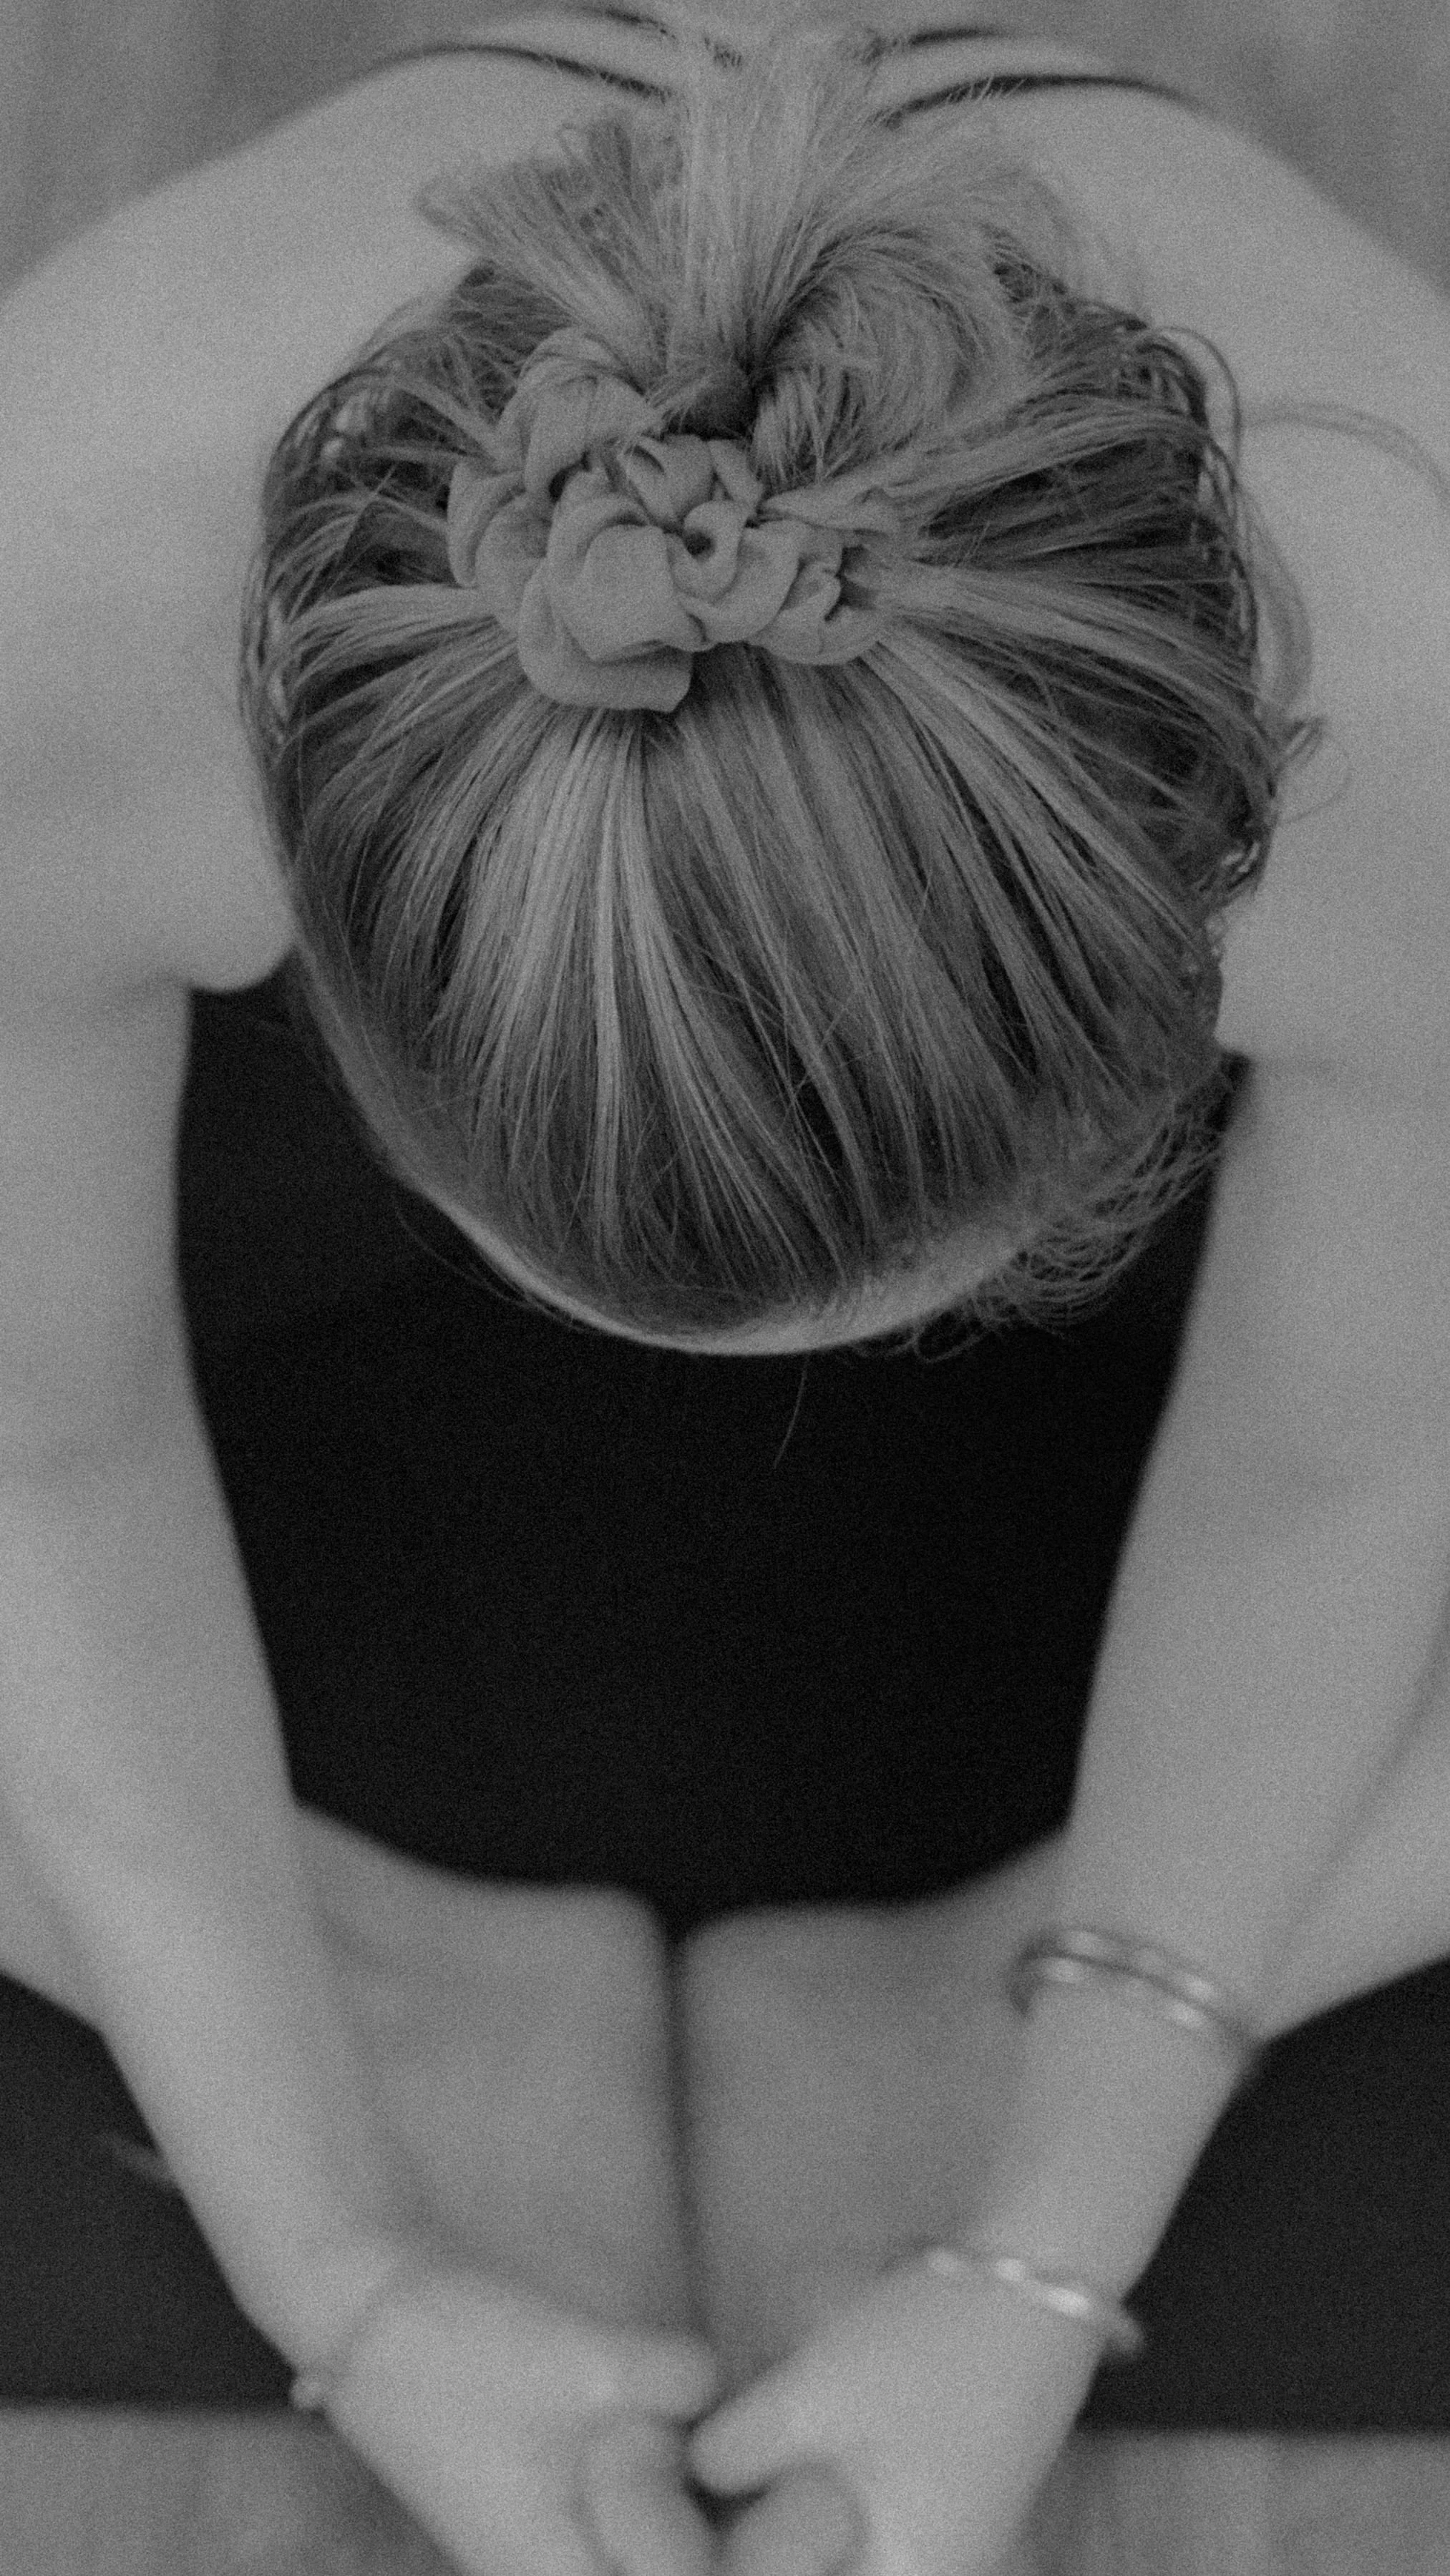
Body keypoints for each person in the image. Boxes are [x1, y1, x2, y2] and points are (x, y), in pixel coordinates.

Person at [3, 1, 1450, 2568]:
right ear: (320, 975)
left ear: (1170, 1030)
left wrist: (1035, 2244)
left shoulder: (1414, 705)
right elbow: (47, 1434)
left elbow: (1335, 1468)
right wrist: (336, 2255)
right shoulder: (56, 601)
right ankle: (382, 1973)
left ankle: (951, 1987)